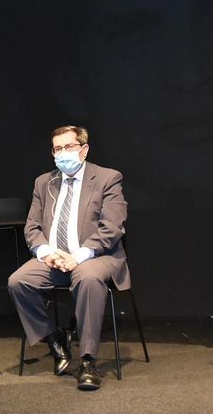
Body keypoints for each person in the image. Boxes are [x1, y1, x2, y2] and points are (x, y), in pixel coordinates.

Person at [7, 126, 129, 391]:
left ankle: (87, 361)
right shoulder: (44, 182)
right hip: (55, 258)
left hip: (97, 256)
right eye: (57, 149)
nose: (63, 153)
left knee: (87, 278)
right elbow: (32, 227)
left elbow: (113, 227)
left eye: (69, 147)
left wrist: (80, 255)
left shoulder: (108, 178)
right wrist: (46, 253)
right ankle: (54, 339)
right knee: (18, 281)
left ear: (83, 150)